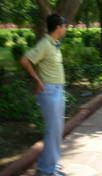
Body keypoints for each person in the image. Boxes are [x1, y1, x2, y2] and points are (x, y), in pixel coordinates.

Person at [20, 14, 67, 176]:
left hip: (58, 91)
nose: (66, 29)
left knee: (57, 130)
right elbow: (25, 60)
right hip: (49, 91)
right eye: (64, 26)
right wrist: (38, 81)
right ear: (58, 27)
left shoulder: (54, 44)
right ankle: (46, 170)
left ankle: (50, 163)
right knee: (52, 130)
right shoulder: (45, 44)